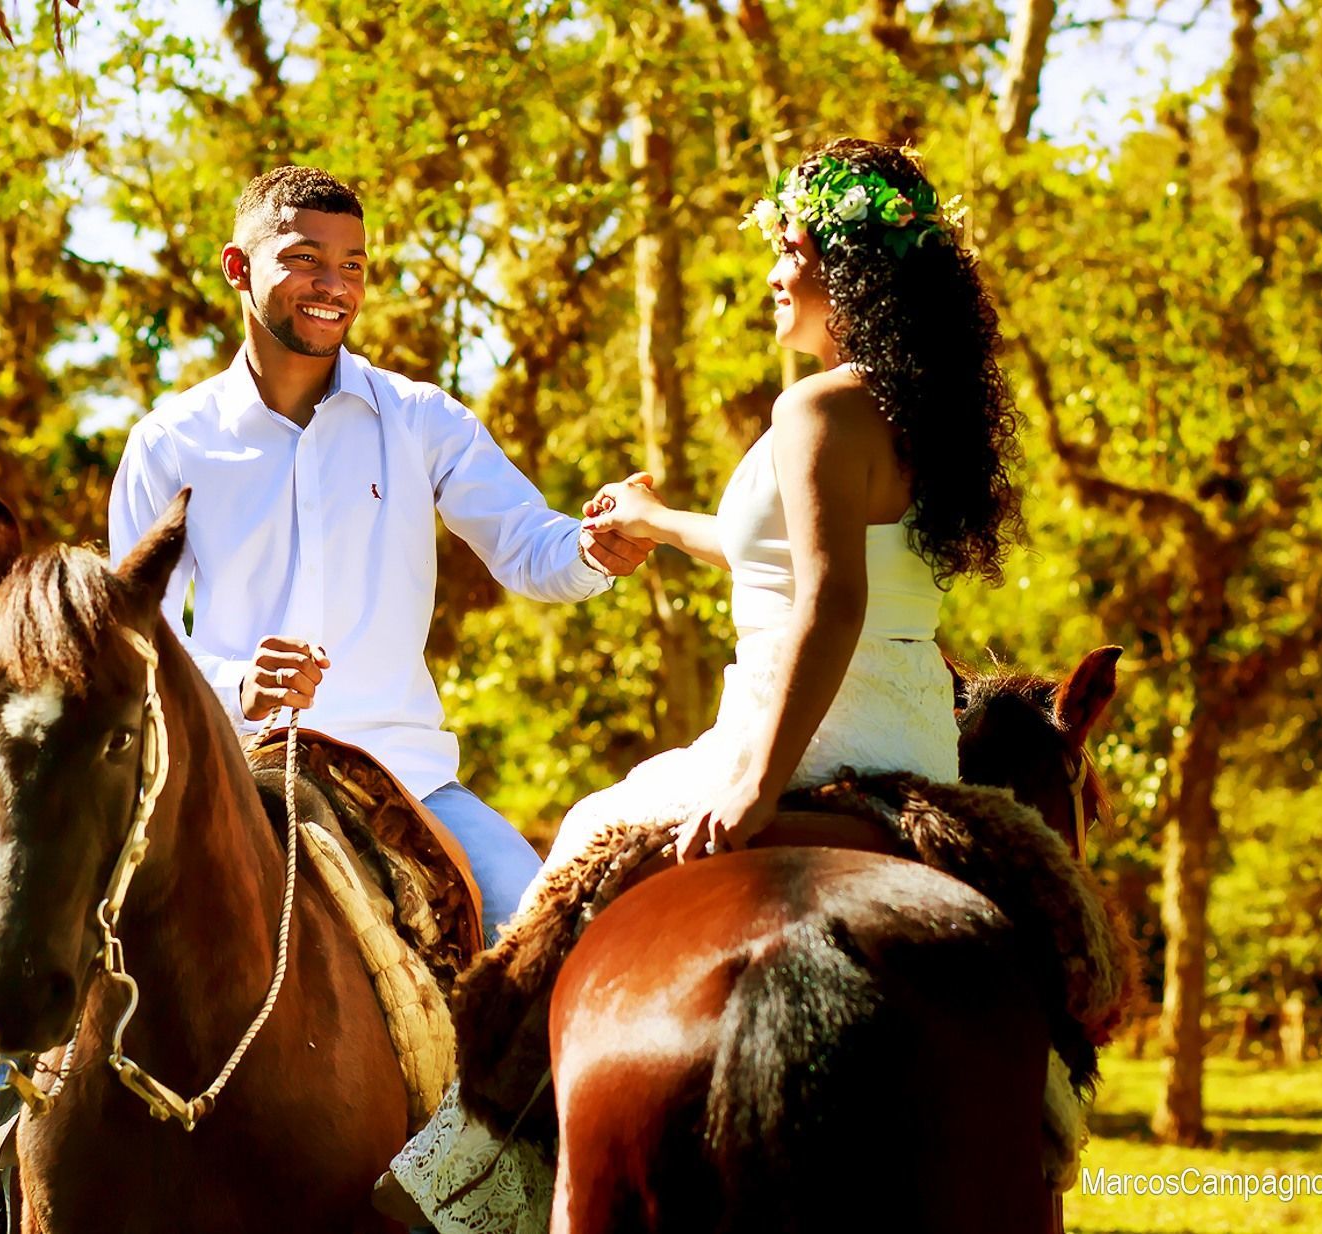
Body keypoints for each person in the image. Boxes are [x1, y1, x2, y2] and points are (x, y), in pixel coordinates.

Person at [0, 165, 654, 1233]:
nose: (335, 285)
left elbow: (533, 546)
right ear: (240, 268)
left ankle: (508, 1208)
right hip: (223, 769)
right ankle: (7, 1146)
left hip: (402, 779)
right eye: (306, 260)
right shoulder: (171, 441)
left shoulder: (418, 421)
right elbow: (134, 637)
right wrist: (235, 681)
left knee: (549, 946)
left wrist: (598, 546)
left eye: (353, 266)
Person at [386, 137, 1024, 1233]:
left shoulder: (814, 410)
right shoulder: (916, 411)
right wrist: (652, 522)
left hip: (804, 729)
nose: (776, 272)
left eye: (796, 250)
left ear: (853, 271)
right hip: (918, 742)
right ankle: (1044, 1110)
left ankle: (478, 1170)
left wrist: (757, 780)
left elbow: (828, 604)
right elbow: (776, 554)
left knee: (584, 836)